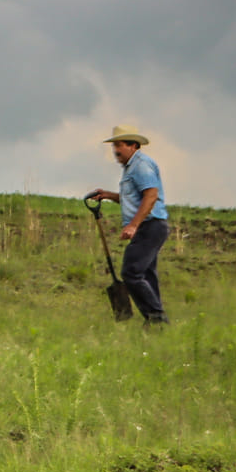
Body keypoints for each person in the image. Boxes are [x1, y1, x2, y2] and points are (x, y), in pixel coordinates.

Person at [86, 123, 170, 324]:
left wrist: (133, 225)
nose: (115, 151)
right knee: (147, 274)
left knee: (131, 272)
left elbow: (150, 195)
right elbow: (134, 198)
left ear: (133, 145)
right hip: (151, 225)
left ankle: (156, 318)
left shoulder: (141, 165)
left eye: (120, 145)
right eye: (114, 146)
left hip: (150, 226)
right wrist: (108, 195)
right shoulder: (131, 167)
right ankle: (157, 321)